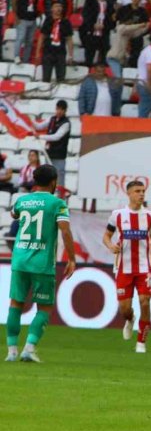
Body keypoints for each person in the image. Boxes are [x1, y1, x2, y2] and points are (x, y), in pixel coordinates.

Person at [5, 164, 76, 362]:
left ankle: (11, 351)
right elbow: (65, 230)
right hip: (42, 263)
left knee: (16, 304)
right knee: (44, 307)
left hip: (19, 260)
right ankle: (29, 348)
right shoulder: (58, 204)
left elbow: (14, 214)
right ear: (54, 182)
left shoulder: (22, 200)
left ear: (35, 181)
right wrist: (72, 257)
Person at [102, 181, 151, 354]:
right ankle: (130, 320)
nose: (141, 194)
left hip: (145, 266)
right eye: (137, 191)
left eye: (143, 191)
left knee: (145, 301)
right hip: (123, 267)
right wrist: (110, 245)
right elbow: (106, 236)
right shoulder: (117, 215)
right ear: (128, 193)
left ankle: (141, 342)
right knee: (125, 309)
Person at [32, 101, 70, 188]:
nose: (59, 111)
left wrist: (40, 136)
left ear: (65, 111)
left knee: (59, 178)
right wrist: (29, 121)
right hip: (49, 153)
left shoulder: (66, 123)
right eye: (57, 109)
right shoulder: (52, 119)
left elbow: (57, 137)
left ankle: (60, 197)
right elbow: (39, 126)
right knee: (48, 177)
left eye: (61, 110)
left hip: (59, 156)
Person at [36, 2, 74, 82]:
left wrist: (70, 55)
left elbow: (69, 39)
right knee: (46, 77)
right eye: (56, 6)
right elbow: (42, 37)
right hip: (48, 52)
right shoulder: (48, 20)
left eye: (60, 6)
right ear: (52, 9)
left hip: (60, 53)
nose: (58, 8)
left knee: (61, 78)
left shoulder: (66, 22)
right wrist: (37, 53)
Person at [11, 0, 42, 64]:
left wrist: (40, 16)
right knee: (20, 38)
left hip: (33, 19)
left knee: (30, 41)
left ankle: (25, 60)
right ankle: (16, 57)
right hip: (22, 18)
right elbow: (13, 1)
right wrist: (16, 16)